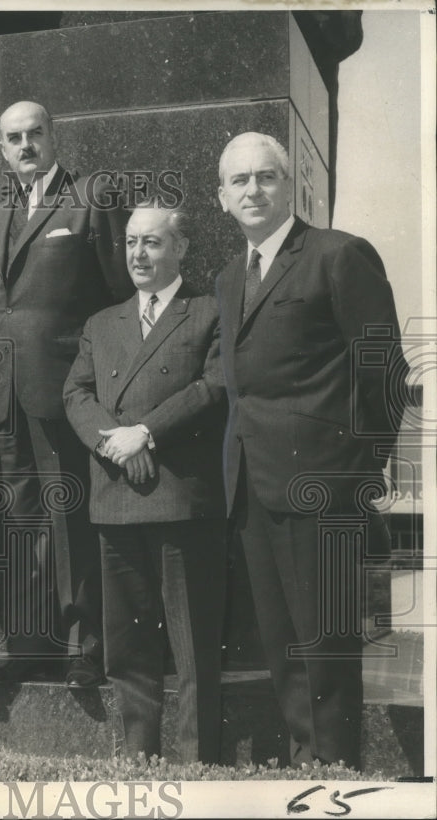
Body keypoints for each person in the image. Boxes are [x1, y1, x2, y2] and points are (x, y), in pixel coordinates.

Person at [214, 132, 407, 769]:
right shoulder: (227, 277)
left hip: (322, 489)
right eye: (238, 181)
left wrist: (359, 472)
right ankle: (308, 773)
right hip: (253, 485)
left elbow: (383, 372)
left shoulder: (338, 255)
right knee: (283, 650)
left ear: (289, 184)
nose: (252, 190)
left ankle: (337, 784)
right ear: (221, 198)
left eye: (264, 176)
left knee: (324, 651)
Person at [64, 205, 226, 762]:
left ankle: (198, 760)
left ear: (179, 248)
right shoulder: (101, 323)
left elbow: (212, 388)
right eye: (131, 242)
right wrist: (114, 440)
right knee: (128, 645)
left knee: (193, 645)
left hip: (179, 498)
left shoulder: (208, 311)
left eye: (152, 243)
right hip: (116, 497)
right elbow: (76, 394)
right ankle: (138, 754)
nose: (138, 254)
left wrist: (146, 433)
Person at [0, 100, 133, 686]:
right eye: (13, 138)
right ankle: (28, 644)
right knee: (20, 521)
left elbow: (121, 299)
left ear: (54, 136)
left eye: (34, 134)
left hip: (66, 389)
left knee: (69, 517)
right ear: (2, 149)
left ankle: (83, 646)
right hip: (6, 393)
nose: (25, 145)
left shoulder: (91, 197)